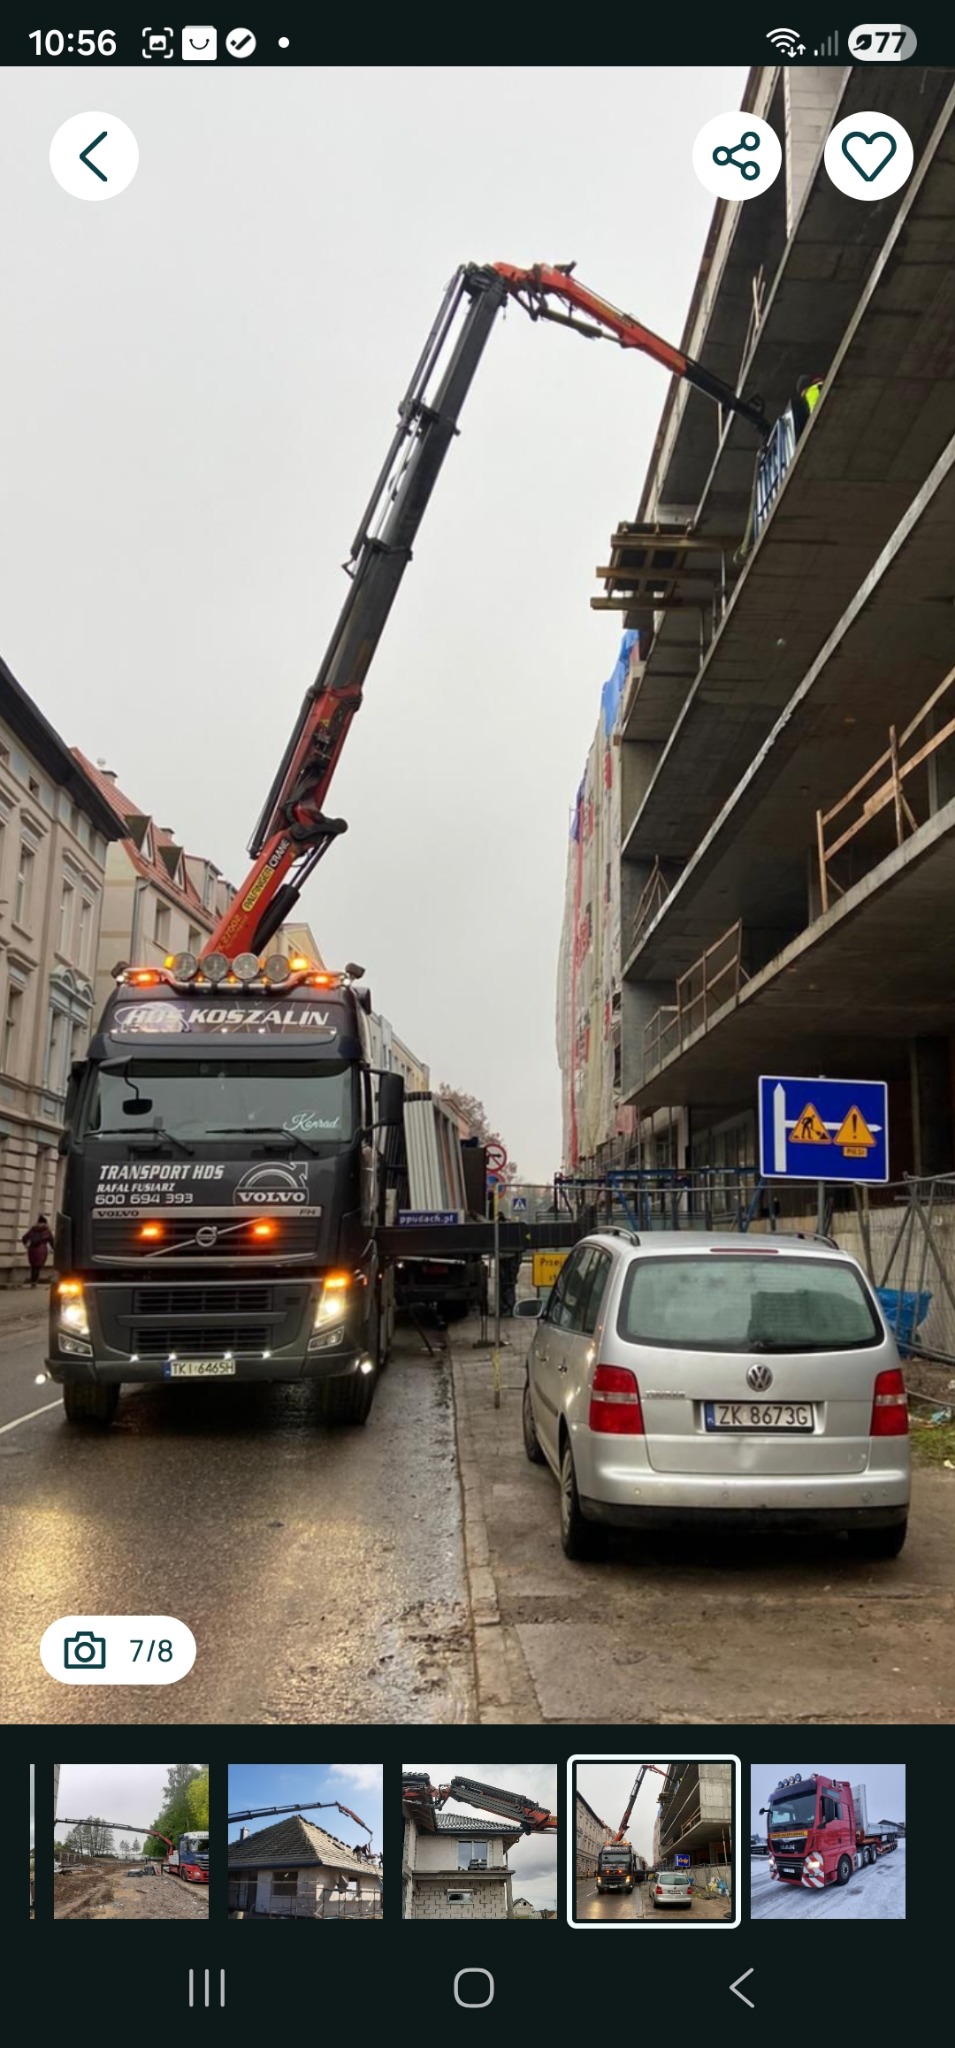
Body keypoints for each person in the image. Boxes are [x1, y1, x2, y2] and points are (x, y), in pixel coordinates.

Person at [22, 1214, 54, 1287]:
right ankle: (34, 1281)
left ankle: (33, 1280)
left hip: (32, 1249)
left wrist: (26, 1245)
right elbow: (52, 1241)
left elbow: (24, 1237)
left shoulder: (33, 1229)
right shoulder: (46, 1231)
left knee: (33, 1266)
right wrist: (54, 1249)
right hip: (41, 1249)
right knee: (38, 1266)